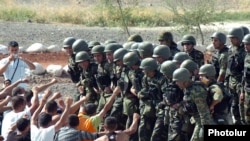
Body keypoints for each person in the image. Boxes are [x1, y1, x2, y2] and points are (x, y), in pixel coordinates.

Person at [173, 68, 215, 141]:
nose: (176, 83)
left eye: (177, 81)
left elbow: (203, 111)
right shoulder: (188, 88)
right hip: (196, 119)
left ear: (184, 81)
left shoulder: (196, 91)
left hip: (202, 121)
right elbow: (189, 101)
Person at [138, 58, 168, 141]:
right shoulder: (145, 78)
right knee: (142, 128)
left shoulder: (162, 79)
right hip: (149, 105)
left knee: (156, 133)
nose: (143, 72)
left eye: (144, 70)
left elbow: (166, 96)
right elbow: (143, 91)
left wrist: (160, 104)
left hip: (161, 107)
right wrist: (142, 95)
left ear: (150, 69)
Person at [226, 27, 246, 125]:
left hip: (241, 84)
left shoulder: (245, 51)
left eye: (232, 38)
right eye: (230, 38)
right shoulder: (231, 50)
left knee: (242, 108)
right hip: (232, 83)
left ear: (239, 38)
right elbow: (228, 67)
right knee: (234, 106)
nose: (230, 40)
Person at [241, 34, 250, 124]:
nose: (245, 46)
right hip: (247, 91)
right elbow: (244, 76)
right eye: (245, 44)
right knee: (247, 117)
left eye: (248, 44)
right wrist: (242, 92)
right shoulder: (247, 56)